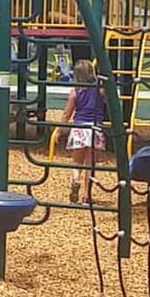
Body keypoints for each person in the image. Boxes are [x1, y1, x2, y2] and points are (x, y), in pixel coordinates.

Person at [61, 59, 106, 203]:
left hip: (79, 128)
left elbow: (66, 114)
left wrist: (60, 129)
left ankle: (75, 180)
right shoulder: (100, 90)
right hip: (94, 128)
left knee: (77, 162)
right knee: (90, 164)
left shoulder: (75, 92)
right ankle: (87, 195)